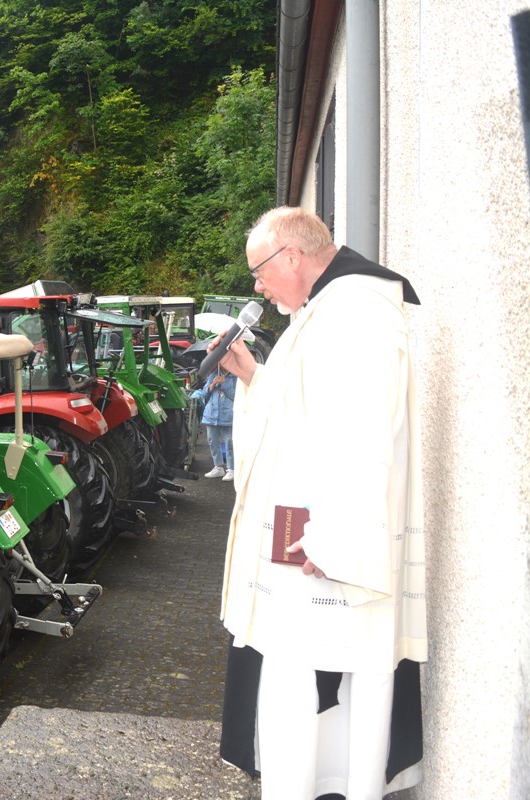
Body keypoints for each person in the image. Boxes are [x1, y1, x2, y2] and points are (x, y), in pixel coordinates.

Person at [216, 207, 426, 799]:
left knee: (325, 673)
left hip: (323, 543)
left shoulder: (357, 310)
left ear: (291, 257)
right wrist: (252, 374)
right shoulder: (324, 311)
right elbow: (308, 411)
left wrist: (337, 536)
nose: (257, 286)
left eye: (259, 272)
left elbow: (365, 432)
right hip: (305, 533)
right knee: (301, 675)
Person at [189, 367, 237, 481]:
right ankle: (218, 467)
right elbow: (204, 395)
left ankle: (232, 469)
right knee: (212, 441)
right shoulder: (213, 374)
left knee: (230, 442)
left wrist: (223, 384)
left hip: (228, 415)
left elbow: (236, 395)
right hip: (211, 414)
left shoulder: (236, 376)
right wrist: (210, 387)